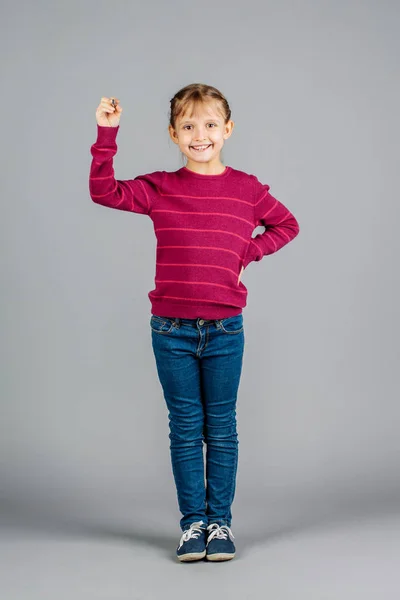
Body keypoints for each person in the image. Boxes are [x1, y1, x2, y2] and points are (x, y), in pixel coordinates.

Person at [89, 83, 300, 562]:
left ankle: (220, 524)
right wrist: (106, 132)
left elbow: (287, 225)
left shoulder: (246, 188)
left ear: (227, 130)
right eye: (188, 126)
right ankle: (193, 525)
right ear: (173, 134)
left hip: (226, 329)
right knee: (185, 427)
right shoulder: (162, 187)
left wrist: (250, 249)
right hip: (170, 329)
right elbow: (104, 191)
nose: (199, 134)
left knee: (221, 427)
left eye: (209, 124)